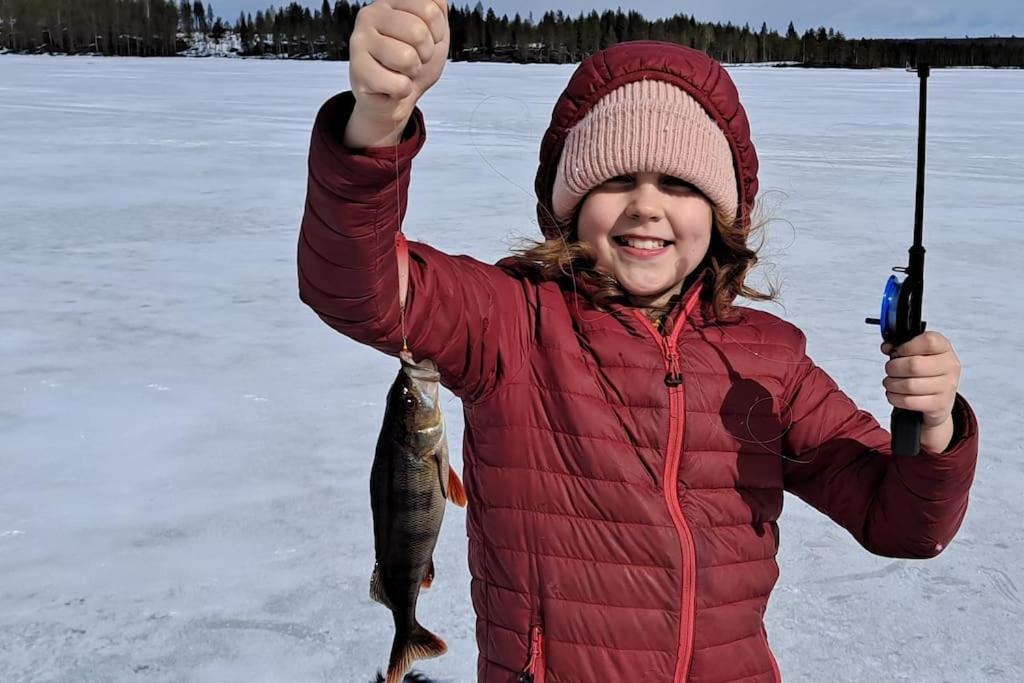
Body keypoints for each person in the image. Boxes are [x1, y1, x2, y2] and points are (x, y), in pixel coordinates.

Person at [296, 1, 981, 681]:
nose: (646, 205)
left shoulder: (770, 361)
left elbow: (905, 522)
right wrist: (377, 128)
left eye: (679, 184)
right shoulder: (512, 321)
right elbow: (358, 287)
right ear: (570, 202)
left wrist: (935, 427)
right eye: (617, 178)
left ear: (720, 215)